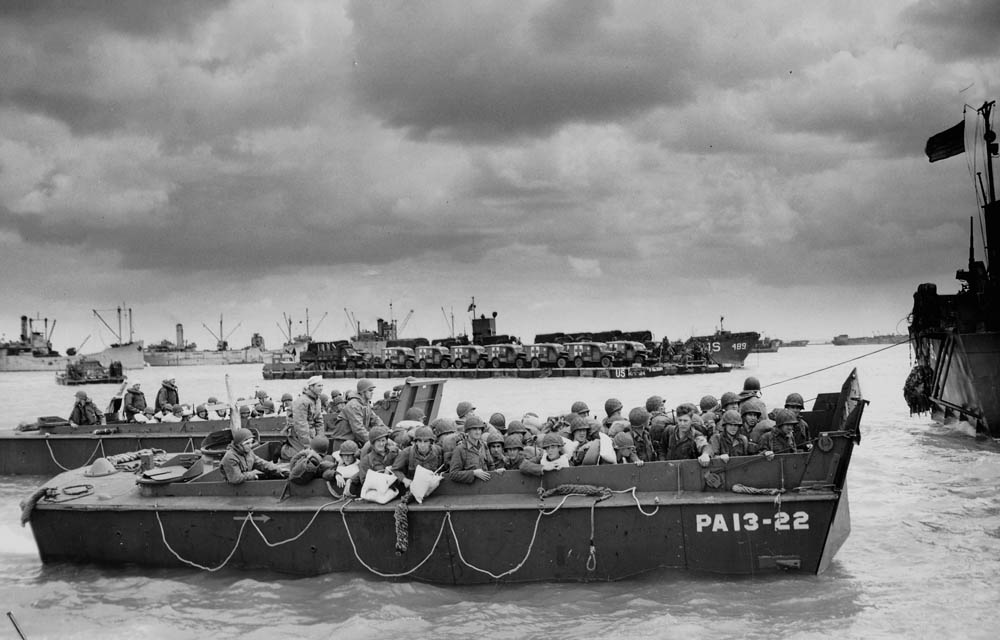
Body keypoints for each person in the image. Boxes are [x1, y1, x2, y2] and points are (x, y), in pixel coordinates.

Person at [329, 379, 386, 451]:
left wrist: (387, 432)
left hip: (354, 442)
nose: (372, 393)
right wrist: (375, 441)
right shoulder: (354, 405)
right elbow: (358, 429)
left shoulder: (365, 403)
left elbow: (375, 420)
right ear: (362, 392)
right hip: (344, 443)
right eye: (370, 390)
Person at [281, 376, 325, 462]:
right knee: (304, 457)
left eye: (322, 385)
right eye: (319, 386)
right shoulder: (302, 402)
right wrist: (308, 445)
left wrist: (320, 439)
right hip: (298, 435)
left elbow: (319, 421)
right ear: (311, 387)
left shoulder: (317, 399)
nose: (321, 388)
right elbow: (301, 425)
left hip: (311, 431)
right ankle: (284, 452)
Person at [220, 428, 286, 484]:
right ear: (239, 445)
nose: (250, 445)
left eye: (251, 442)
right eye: (247, 443)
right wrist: (253, 475)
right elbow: (236, 478)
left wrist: (278, 470)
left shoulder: (248, 452)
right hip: (233, 489)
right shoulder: (230, 458)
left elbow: (261, 463)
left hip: (245, 484)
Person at [448, 415, 494, 483]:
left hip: (484, 486)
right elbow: (453, 474)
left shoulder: (484, 446)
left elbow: (491, 466)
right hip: (469, 489)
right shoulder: (460, 449)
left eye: (479, 429)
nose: (478, 432)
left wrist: (496, 472)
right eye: (474, 429)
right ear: (468, 431)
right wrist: (473, 473)